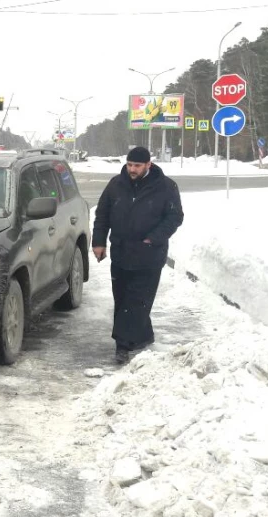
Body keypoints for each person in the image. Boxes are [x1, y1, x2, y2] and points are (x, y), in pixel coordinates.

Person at [92, 146, 184, 364]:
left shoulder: (166, 187)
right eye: (130, 164)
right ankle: (144, 336)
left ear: (148, 165)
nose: (132, 169)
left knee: (136, 300)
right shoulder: (116, 184)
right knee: (123, 297)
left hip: (150, 254)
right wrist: (98, 241)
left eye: (137, 165)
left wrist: (153, 238)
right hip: (121, 252)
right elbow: (102, 214)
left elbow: (175, 217)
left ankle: (122, 345)